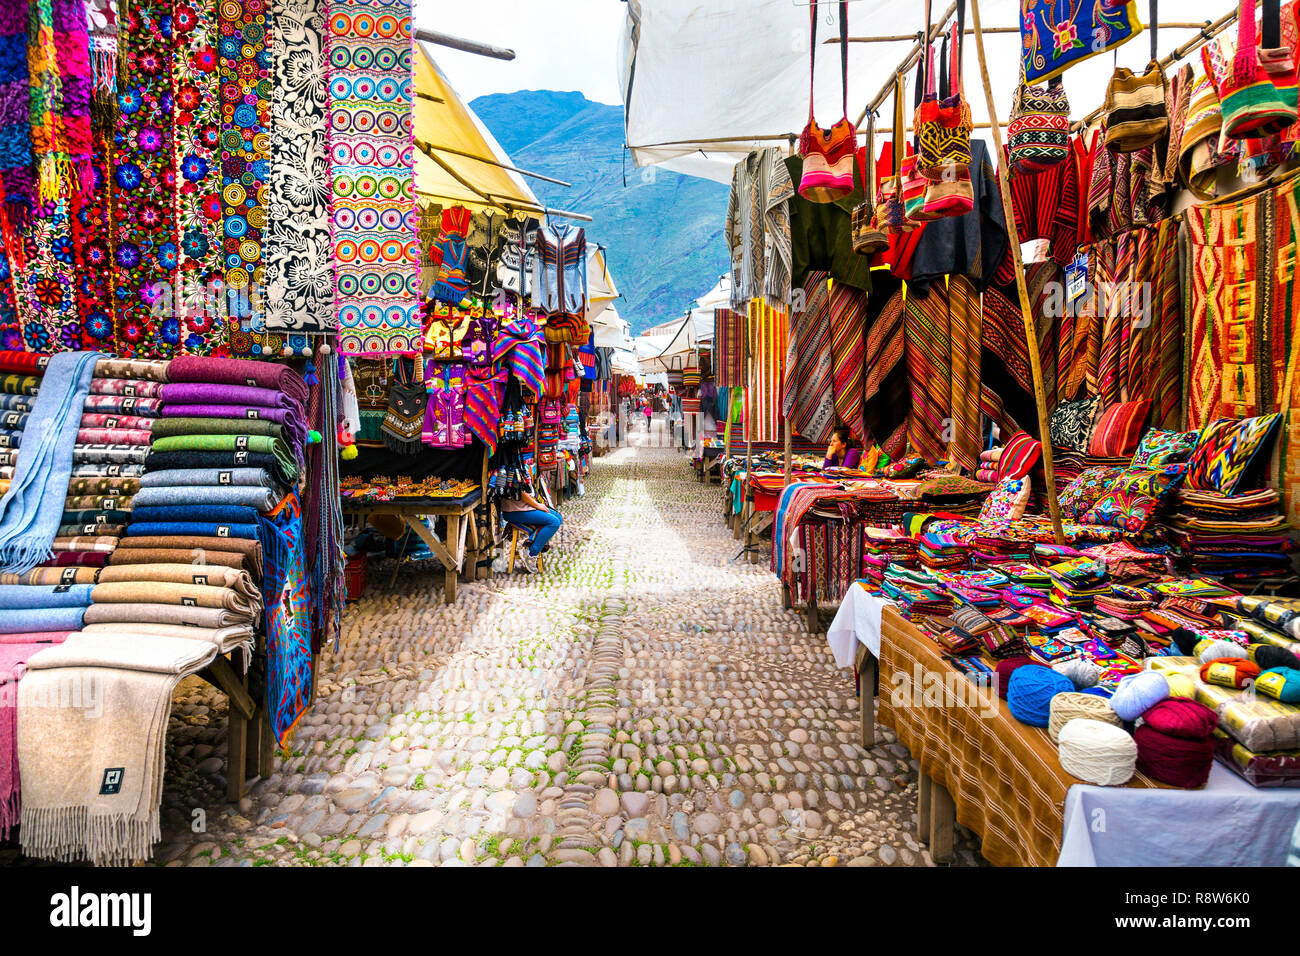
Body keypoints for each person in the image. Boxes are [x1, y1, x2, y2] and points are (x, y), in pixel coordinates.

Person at [499, 485, 561, 574]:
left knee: (558, 517)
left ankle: (531, 542)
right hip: (515, 510)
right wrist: (537, 505)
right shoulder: (513, 471)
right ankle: (531, 553)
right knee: (554, 522)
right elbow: (520, 492)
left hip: (525, 507)